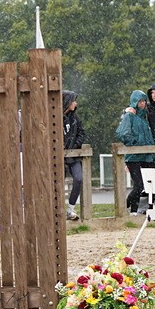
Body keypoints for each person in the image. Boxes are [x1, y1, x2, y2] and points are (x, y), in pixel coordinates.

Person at [116, 90, 155, 214]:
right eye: (140, 101)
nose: (142, 103)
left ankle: (133, 210)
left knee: (144, 186)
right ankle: (127, 207)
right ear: (135, 102)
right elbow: (122, 133)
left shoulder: (145, 116)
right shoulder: (130, 116)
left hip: (146, 156)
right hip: (133, 157)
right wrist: (134, 143)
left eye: (144, 101)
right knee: (139, 185)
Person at [62, 90, 87, 221]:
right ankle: (59, 210)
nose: (75, 103)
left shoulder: (75, 118)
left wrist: (75, 145)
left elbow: (82, 133)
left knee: (78, 179)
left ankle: (70, 209)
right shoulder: (56, 117)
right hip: (59, 157)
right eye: (73, 101)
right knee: (58, 182)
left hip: (74, 156)